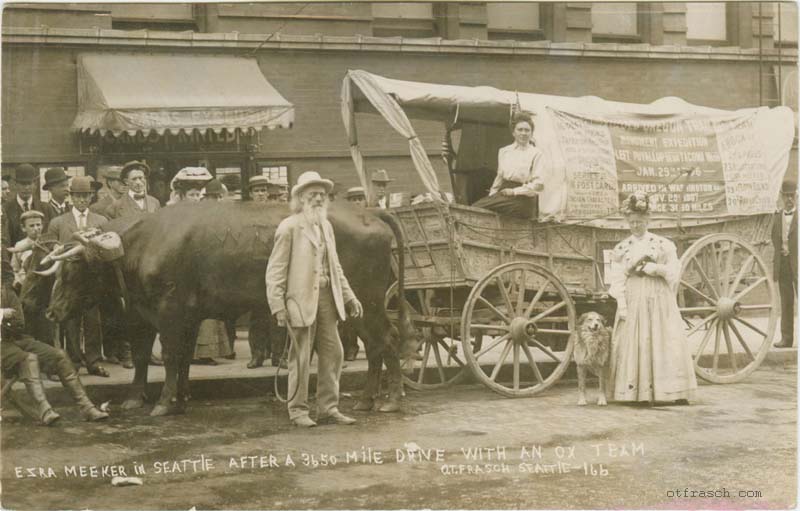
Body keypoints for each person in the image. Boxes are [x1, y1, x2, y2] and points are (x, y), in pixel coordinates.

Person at [266, 171, 363, 427]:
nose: (319, 199)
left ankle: (328, 408)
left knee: (334, 353)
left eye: (322, 195)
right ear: (300, 198)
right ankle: (298, 411)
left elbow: (336, 266)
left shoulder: (326, 226)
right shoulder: (289, 227)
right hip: (299, 301)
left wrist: (350, 297)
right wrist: (278, 306)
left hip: (328, 301)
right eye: (313, 195)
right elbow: (275, 270)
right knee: (300, 357)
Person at [607, 192, 697, 404]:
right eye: (632, 223)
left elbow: (675, 271)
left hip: (658, 298)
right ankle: (637, 393)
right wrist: (621, 304)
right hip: (634, 296)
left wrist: (656, 269)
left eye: (639, 222)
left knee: (664, 337)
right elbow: (617, 278)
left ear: (648, 221)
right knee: (636, 340)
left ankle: (672, 391)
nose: (636, 226)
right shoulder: (622, 248)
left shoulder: (662, 244)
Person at [2, 274, 109, 425]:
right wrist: (2, 315)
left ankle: (86, 407)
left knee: (59, 355)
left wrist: (7, 323)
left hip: (17, 339)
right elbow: (11, 320)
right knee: (28, 358)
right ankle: (45, 410)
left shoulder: (7, 292)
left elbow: (19, 323)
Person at [46, 176, 111, 377]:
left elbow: (107, 247)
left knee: (93, 320)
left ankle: (94, 361)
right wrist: (57, 248)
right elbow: (51, 247)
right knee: (71, 320)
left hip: (93, 277)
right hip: (69, 278)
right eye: (78, 196)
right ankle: (74, 361)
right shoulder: (58, 222)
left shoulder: (101, 221)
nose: (82, 200)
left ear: (92, 197)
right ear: (71, 197)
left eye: (86, 196)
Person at [171, 167, 234, 366]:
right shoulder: (173, 216)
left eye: (199, 194)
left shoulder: (204, 215)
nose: (196, 198)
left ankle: (204, 353)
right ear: (181, 196)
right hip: (181, 271)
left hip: (203, 269)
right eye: (192, 194)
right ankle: (183, 352)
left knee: (204, 310)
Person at [472, 113, 547, 220]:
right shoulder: (504, 151)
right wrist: (492, 197)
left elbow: (538, 185)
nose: (523, 133)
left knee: (507, 216)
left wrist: (515, 191)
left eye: (527, 130)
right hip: (505, 193)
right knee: (476, 208)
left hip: (524, 198)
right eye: (520, 130)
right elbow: (499, 177)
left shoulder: (536, 154)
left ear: (531, 133)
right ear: (513, 132)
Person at [773, 181, 797, 348]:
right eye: (786, 196)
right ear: (781, 197)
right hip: (784, 266)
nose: (789, 199)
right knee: (786, 302)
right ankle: (786, 339)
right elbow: (775, 239)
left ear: (796, 196)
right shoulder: (777, 217)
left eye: (792, 196)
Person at [3, 163, 44, 244]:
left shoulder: (46, 208)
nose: (26, 188)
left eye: (29, 183)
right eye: (22, 184)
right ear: (15, 185)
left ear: (35, 185)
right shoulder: (5, 209)